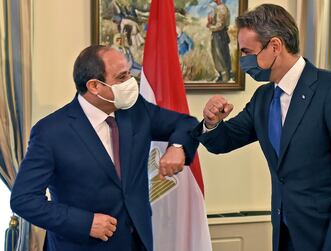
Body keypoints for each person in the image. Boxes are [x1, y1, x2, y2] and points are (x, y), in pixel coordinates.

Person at [193, 4, 331, 251]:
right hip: (285, 238)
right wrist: (212, 122)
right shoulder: (264, 98)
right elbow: (223, 141)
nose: (243, 60)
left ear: (275, 46)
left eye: (247, 51)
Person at [10, 45, 199, 251]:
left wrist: (177, 147)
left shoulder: (136, 111)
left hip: (137, 243)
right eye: (121, 77)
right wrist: (84, 222)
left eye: (129, 73)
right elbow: (24, 200)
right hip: (81, 245)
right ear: (94, 86)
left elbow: (186, 124)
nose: (130, 82)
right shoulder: (51, 132)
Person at [207, 0, 232, 82]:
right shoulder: (218, 8)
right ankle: (222, 75)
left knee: (220, 55)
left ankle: (225, 76)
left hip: (219, 35)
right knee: (217, 54)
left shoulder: (221, 8)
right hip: (218, 34)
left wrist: (210, 26)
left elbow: (220, 25)